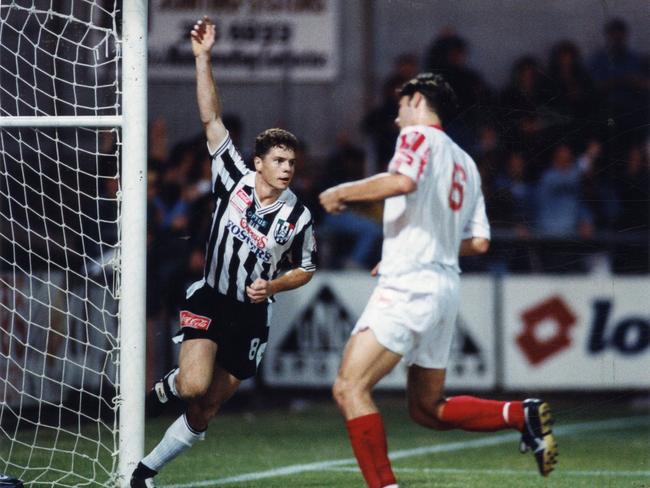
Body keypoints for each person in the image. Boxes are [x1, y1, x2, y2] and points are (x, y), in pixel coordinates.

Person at [319, 73, 558, 488]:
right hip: (443, 288)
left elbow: (402, 181)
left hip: (410, 284)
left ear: (416, 99)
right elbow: (480, 243)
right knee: (427, 408)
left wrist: (343, 191)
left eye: (399, 103)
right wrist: (411, 251)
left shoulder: (417, 137)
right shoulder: (466, 163)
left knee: (349, 387)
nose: (396, 115)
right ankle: (519, 415)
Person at [130, 17, 317, 487]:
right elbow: (211, 118)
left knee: (207, 405)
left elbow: (307, 269)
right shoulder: (232, 175)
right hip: (211, 297)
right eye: (278, 160)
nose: (287, 168)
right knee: (192, 386)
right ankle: (164, 388)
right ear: (259, 162)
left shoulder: (300, 216)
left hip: (252, 315)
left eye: (292, 162)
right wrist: (202, 57)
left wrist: (274, 284)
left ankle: (144, 473)